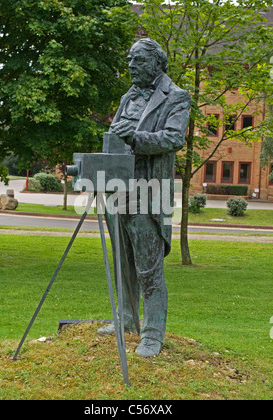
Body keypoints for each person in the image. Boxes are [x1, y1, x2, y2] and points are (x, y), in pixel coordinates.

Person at [97, 38, 190, 357]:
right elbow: (116, 136)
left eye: (137, 60)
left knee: (148, 267)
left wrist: (135, 137)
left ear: (156, 63)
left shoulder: (176, 96)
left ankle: (152, 333)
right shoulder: (128, 96)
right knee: (122, 260)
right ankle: (125, 319)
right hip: (117, 190)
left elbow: (174, 138)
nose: (131, 66)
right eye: (129, 60)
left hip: (149, 192)